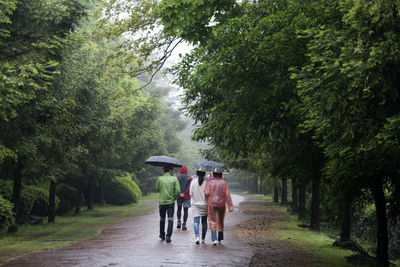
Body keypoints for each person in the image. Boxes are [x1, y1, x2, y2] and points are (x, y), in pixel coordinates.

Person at [204, 171, 234, 246]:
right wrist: (230, 206)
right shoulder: (223, 182)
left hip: (212, 203)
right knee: (220, 221)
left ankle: (214, 239)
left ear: (213, 174)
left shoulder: (210, 182)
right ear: (221, 174)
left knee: (212, 220)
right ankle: (220, 239)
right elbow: (227, 194)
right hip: (221, 204)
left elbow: (207, 193)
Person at [156, 165, 180, 243]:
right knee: (170, 219)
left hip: (162, 202)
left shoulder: (160, 178)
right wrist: (174, 198)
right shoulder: (174, 178)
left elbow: (157, 189)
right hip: (170, 202)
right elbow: (177, 191)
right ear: (170, 170)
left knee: (162, 218)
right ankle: (168, 236)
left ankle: (162, 234)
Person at [189, 170, 208, 244]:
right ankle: (203, 238)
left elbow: (190, 194)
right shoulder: (207, 183)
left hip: (195, 204)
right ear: (204, 175)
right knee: (204, 222)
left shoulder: (193, 182)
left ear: (197, 174)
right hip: (204, 205)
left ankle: (197, 237)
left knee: (196, 221)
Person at [176, 165, 193, 230]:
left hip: (179, 196)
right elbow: (190, 187)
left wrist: (179, 193)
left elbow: (176, 186)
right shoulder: (190, 178)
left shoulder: (177, 177)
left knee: (179, 209)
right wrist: (185, 193)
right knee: (186, 210)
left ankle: (179, 221)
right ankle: (184, 223)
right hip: (186, 196)